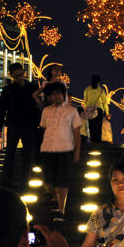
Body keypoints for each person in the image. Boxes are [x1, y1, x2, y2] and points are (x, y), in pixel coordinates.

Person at [39, 82, 82, 219]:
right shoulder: (46, 111)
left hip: (65, 150)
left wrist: (77, 151)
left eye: (58, 93)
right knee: (47, 182)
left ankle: (61, 209)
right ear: (50, 96)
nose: (56, 96)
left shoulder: (72, 111)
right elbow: (45, 128)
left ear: (63, 94)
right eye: (53, 94)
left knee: (62, 181)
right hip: (47, 149)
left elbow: (76, 133)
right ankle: (56, 198)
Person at [0, 63, 40, 188]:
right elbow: (2, 108)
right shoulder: (8, 89)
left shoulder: (32, 87)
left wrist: (38, 123)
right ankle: (6, 181)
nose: (19, 78)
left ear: (24, 73)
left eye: (21, 75)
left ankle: (26, 179)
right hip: (14, 124)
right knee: (10, 152)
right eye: (16, 76)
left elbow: (37, 106)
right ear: (11, 76)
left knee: (28, 153)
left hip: (29, 124)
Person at [83, 75, 110, 143]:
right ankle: (98, 143)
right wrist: (107, 113)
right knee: (98, 127)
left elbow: (85, 101)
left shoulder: (87, 89)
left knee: (91, 126)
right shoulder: (101, 90)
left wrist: (88, 108)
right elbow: (105, 103)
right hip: (99, 110)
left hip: (90, 109)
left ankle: (92, 141)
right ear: (98, 82)